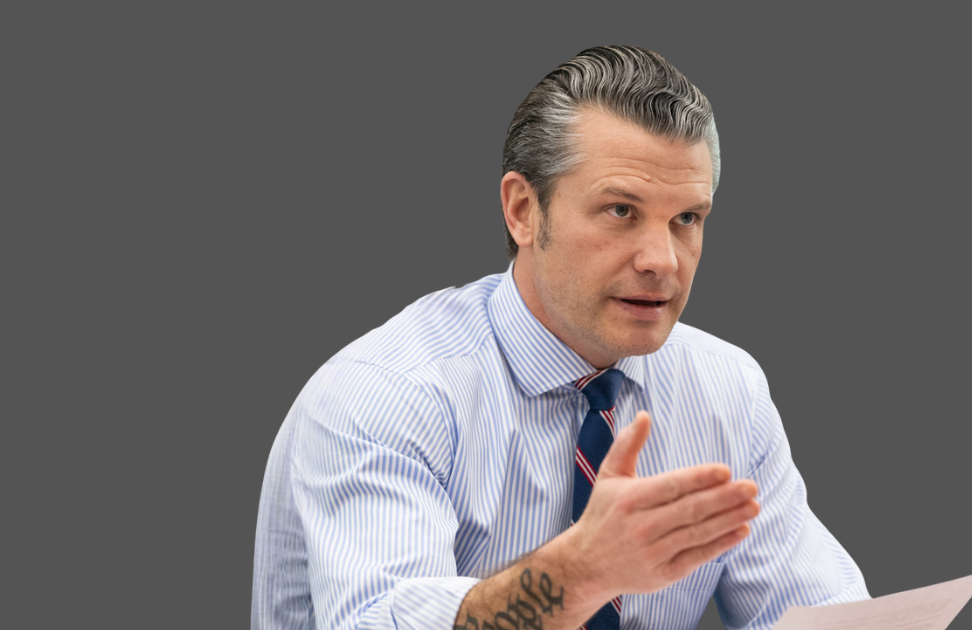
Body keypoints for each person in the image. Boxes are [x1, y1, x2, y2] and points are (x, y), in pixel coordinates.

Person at [252, 45, 869, 630]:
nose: (663, 260)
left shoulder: (726, 389)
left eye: (687, 218)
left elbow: (820, 613)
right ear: (523, 211)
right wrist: (582, 572)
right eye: (621, 211)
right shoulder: (388, 393)